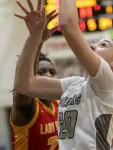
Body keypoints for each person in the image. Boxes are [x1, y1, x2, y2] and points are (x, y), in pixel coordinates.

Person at [13, 0, 113, 149]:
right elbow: (24, 85)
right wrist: (35, 36)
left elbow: (67, 24)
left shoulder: (109, 84)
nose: (93, 46)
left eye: (103, 45)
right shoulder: (75, 84)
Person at [11, 8, 59, 150]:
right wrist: (35, 37)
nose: (49, 76)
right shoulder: (26, 106)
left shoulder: (59, 104)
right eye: (41, 72)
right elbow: (25, 82)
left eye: (52, 72)